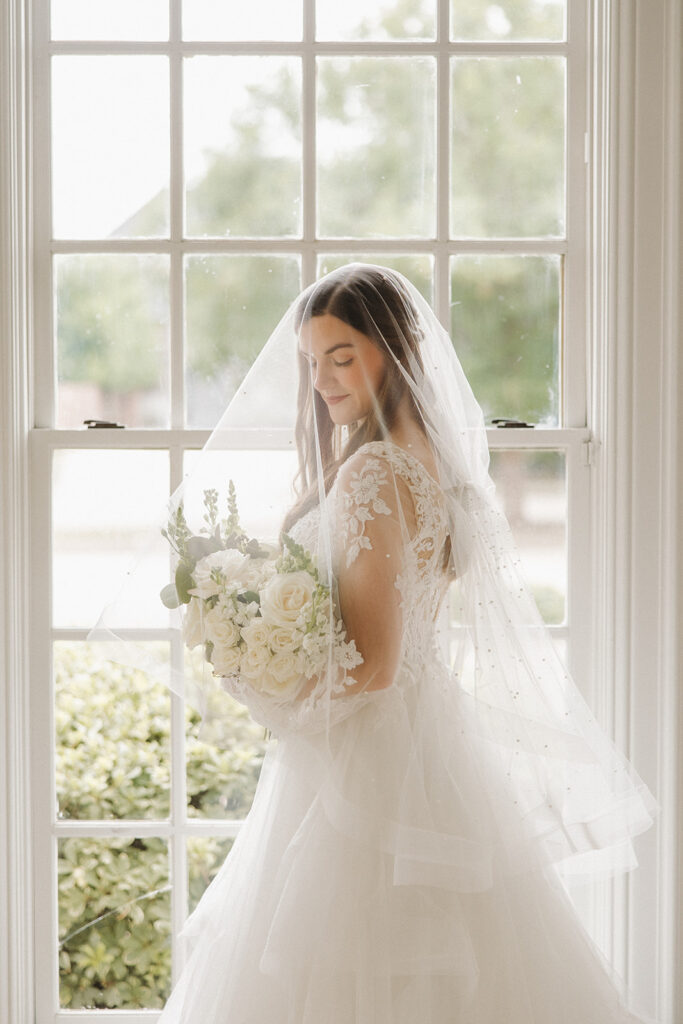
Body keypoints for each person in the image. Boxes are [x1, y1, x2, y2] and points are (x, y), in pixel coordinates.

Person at [95, 264, 659, 1022]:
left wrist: (261, 679)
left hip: (369, 766)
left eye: (341, 356)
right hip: (422, 749)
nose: (322, 380)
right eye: (311, 360)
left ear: (391, 352)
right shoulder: (427, 459)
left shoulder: (373, 471)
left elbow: (376, 664)